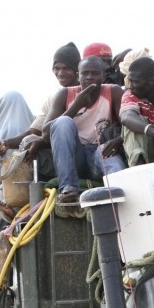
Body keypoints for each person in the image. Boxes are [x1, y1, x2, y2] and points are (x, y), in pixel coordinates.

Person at [40, 57, 126, 204]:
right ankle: (68, 189)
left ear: (103, 76)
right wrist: (75, 106)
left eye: (95, 73)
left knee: (114, 163)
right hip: (75, 156)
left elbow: (127, 122)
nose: (89, 77)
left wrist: (118, 139)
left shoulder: (113, 91)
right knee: (63, 122)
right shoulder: (65, 94)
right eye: (85, 73)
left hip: (101, 150)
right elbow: (47, 133)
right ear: (78, 75)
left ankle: (121, 194)